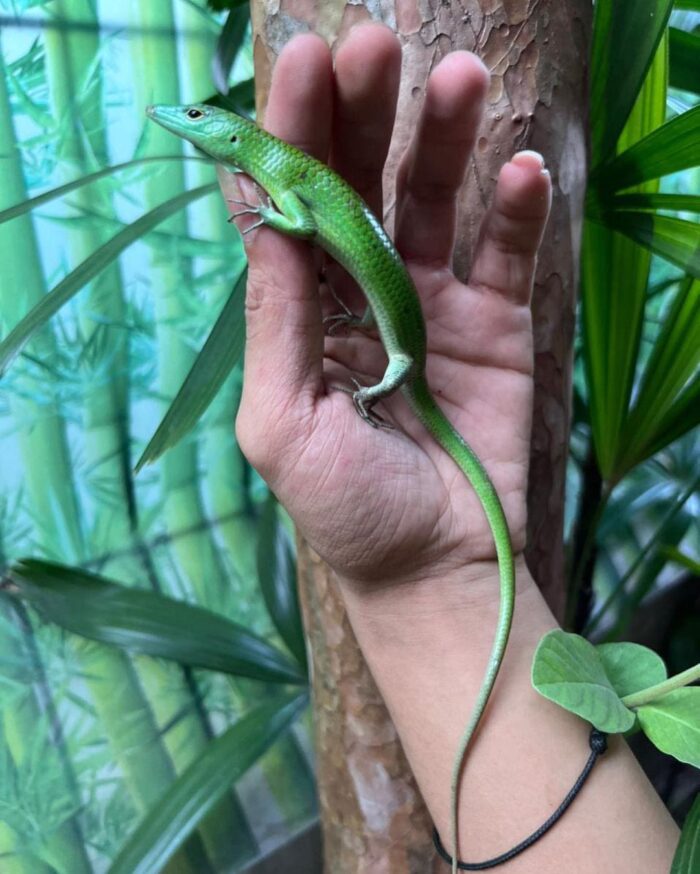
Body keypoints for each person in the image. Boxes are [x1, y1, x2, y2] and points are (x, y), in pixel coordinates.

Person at [232, 22, 679, 872]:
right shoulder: (277, 165)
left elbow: (293, 214)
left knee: (389, 344)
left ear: (233, 136)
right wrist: (438, 583)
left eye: (197, 118)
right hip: (392, 339)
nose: (185, 123)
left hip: (400, 346)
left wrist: (438, 572)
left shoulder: (281, 170)